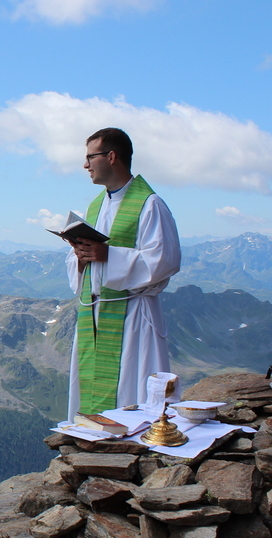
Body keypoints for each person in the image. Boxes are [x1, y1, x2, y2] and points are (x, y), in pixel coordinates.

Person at [64, 127, 181, 420]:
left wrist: (109, 256)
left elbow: (165, 259)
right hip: (95, 315)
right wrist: (80, 257)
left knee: (132, 392)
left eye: (90, 156)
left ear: (111, 156)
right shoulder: (95, 206)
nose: (85, 165)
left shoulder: (149, 204)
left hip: (131, 315)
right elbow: (83, 259)